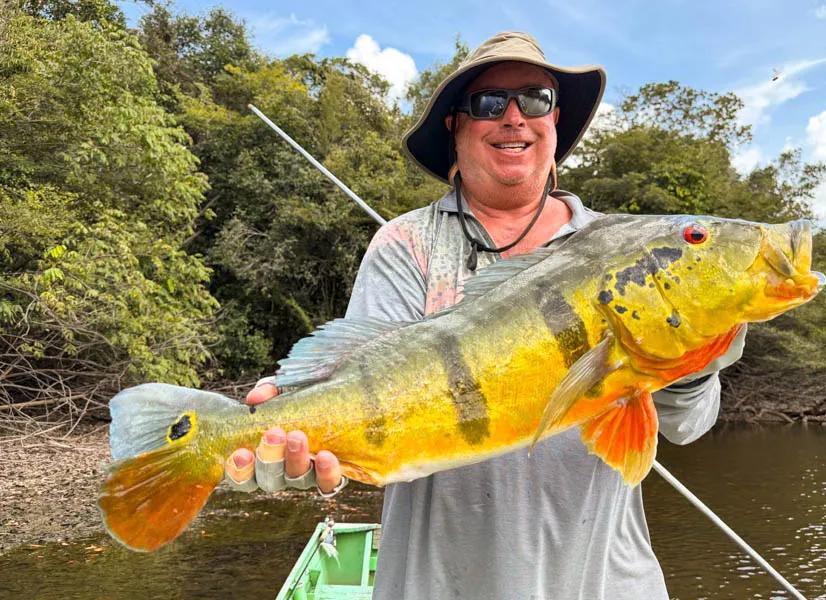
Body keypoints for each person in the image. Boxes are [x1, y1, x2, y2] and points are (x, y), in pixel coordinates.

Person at [224, 31, 745, 599]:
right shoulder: (407, 244)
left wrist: (695, 356)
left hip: (602, 582)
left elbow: (685, 425)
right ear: (456, 126)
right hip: (438, 583)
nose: (514, 117)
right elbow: (358, 391)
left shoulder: (619, 246)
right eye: (490, 103)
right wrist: (292, 434)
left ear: (555, 121)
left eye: (535, 99)